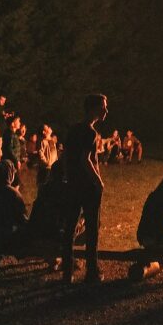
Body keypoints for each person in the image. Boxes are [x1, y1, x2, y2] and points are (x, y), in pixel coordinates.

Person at [61, 94, 108, 284]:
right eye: (103, 107)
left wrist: (67, 176)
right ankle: (92, 271)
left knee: (70, 226)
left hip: (73, 184)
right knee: (92, 228)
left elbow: (65, 157)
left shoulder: (73, 130)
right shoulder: (90, 133)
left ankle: (67, 271)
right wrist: (98, 181)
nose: (106, 111)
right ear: (94, 109)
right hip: (88, 186)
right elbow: (85, 159)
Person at [36, 124, 58, 189]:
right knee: (43, 185)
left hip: (51, 168)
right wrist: (47, 163)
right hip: (45, 168)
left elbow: (54, 152)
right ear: (43, 132)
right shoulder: (42, 141)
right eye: (47, 128)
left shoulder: (50, 141)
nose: (49, 128)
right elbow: (40, 154)